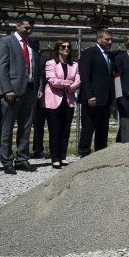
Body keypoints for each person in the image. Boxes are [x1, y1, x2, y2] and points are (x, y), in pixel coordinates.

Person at [0, 15, 41, 174]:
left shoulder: (33, 44)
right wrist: (7, 89)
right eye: (26, 28)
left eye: (31, 28)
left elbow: (36, 68)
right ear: (17, 25)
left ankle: (22, 158)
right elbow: (1, 67)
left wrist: (37, 89)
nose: (29, 31)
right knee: (7, 127)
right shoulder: (5, 42)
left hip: (29, 90)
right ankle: (6, 160)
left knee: (26, 127)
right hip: (12, 91)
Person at [43, 40, 80, 169]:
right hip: (53, 100)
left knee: (66, 130)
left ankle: (63, 156)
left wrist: (69, 86)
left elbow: (78, 81)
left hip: (68, 100)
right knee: (54, 130)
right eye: (63, 47)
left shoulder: (74, 65)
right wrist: (67, 83)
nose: (66, 49)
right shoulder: (51, 63)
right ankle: (55, 158)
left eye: (68, 47)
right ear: (58, 49)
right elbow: (52, 81)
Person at [77, 29, 115, 157]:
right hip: (92, 99)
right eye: (107, 39)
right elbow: (85, 76)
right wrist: (89, 95)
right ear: (99, 39)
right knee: (88, 127)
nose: (110, 42)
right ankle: (84, 153)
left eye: (111, 40)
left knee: (103, 129)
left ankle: (100, 154)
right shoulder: (89, 53)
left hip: (105, 99)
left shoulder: (109, 55)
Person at [31, 47, 52, 159]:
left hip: (39, 97)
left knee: (38, 126)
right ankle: (48, 150)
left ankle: (37, 150)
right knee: (51, 126)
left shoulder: (37, 60)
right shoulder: (49, 59)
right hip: (48, 97)